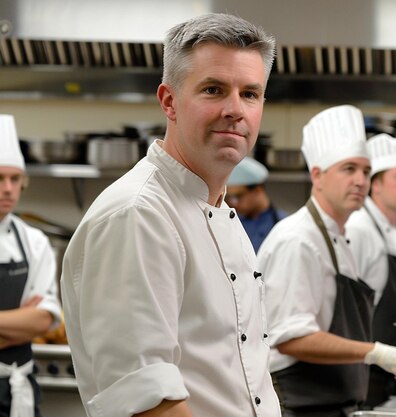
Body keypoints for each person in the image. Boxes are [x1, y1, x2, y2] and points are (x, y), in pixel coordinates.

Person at [60, 14, 281, 417]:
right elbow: (147, 399)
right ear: (169, 101)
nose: (235, 109)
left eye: (250, 94)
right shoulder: (139, 215)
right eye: (213, 89)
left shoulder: (219, 212)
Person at [258, 105, 396, 417]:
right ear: (318, 176)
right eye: (348, 169)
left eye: (366, 171)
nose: (360, 180)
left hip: (333, 404)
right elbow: (291, 338)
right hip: (299, 405)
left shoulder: (340, 239)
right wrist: (377, 353)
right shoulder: (298, 240)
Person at [345, 133, 396, 407]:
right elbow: (350, 310)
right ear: (375, 185)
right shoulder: (359, 228)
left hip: (394, 372)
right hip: (368, 371)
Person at [0, 114, 62, 417]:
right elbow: (29, 321)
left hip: (17, 390)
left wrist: (33, 320)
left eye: (14, 179)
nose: (8, 189)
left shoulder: (34, 241)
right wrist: (17, 322)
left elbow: (43, 319)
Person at [226, 156, 287, 252]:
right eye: (230, 198)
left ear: (257, 190)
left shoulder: (283, 225)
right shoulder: (231, 224)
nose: (233, 204)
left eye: (238, 196)